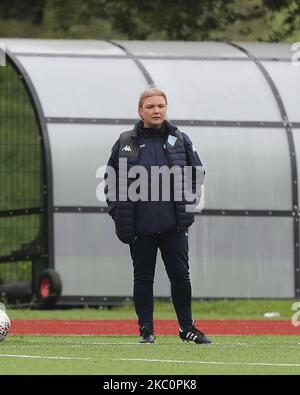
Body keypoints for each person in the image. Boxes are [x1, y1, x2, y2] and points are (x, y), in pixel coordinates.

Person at [104, 87, 211, 344]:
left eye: (160, 106)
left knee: (181, 276)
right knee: (143, 278)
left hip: (174, 225)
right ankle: (146, 331)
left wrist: (188, 203)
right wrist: (119, 212)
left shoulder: (180, 139)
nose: (156, 110)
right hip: (141, 227)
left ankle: (187, 328)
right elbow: (110, 181)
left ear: (166, 109)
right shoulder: (125, 142)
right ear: (140, 110)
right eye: (150, 106)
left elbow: (197, 174)